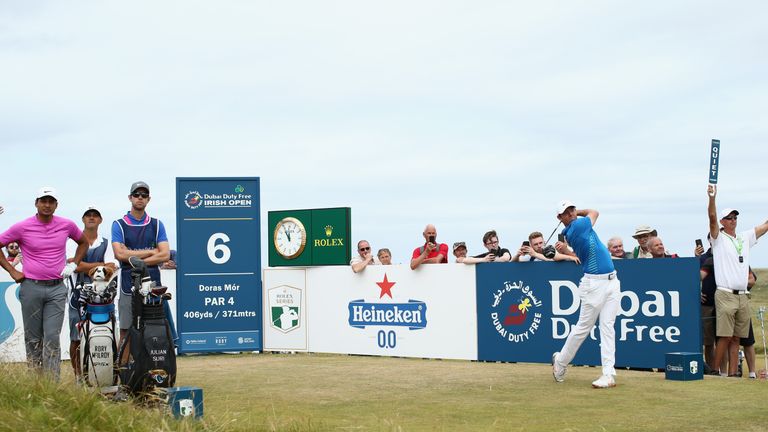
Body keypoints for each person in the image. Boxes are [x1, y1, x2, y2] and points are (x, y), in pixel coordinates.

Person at [0, 187, 88, 380]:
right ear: (36, 203)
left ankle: (52, 384)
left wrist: (74, 264)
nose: (47, 205)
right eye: (43, 201)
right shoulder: (22, 227)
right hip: (31, 287)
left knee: (52, 337)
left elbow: (83, 242)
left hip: (57, 288)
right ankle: (35, 381)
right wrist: (12, 270)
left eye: (51, 201)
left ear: (56, 205)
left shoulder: (66, 224)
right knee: (33, 339)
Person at [551, 200, 621, 389]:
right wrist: (581, 211)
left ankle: (608, 374)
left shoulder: (574, 229)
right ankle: (561, 362)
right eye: (567, 212)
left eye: (573, 209)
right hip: (594, 285)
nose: (572, 213)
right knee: (583, 328)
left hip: (612, 282)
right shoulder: (578, 225)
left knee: (608, 327)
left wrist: (566, 249)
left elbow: (584, 252)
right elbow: (594, 211)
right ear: (560, 218)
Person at [707, 184, 768, 377]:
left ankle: (733, 374)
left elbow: (764, 227)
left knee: (736, 337)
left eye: (735, 217)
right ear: (723, 221)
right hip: (725, 292)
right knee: (724, 336)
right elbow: (712, 218)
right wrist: (712, 198)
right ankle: (716, 371)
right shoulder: (717, 238)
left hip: (742, 295)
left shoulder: (744, 237)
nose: (733, 220)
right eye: (729, 218)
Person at [112, 181, 175, 344]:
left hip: (153, 284)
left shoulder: (157, 224)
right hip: (128, 284)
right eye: (136, 195)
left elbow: (165, 254)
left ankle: (155, 368)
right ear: (130, 197)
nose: (140, 198)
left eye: (144, 195)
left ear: (148, 199)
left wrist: (132, 257)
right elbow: (119, 254)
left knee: (156, 327)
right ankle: (123, 368)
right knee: (126, 332)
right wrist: (151, 251)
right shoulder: (119, 224)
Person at [67, 206, 117, 382]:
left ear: (100, 220)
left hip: (101, 298)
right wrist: (100, 264)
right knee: (76, 338)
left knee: (105, 334)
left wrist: (82, 264)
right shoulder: (71, 241)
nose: (91, 217)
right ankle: (79, 376)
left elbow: (112, 265)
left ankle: (104, 376)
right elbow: (75, 266)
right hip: (77, 297)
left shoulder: (106, 241)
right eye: (88, 215)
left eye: (95, 215)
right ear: (82, 219)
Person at [512, 231, 580, 263]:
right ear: (531, 245)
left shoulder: (550, 249)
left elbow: (553, 257)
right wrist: (517, 256)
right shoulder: (530, 257)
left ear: (544, 242)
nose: (539, 246)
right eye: (536, 244)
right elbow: (512, 263)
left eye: (540, 243)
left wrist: (570, 257)